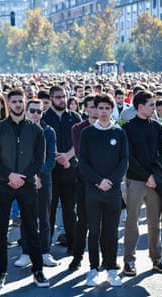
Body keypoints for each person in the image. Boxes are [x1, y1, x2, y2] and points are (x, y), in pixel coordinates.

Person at [0, 89, 49, 289]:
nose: (17, 105)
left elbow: (39, 159)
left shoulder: (36, 129)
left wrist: (24, 176)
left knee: (32, 228)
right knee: (0, 230)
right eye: (13, 101)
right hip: (3, 184)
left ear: (24, 103)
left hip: (27, 184)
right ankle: (0, 271)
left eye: (20, 101)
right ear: (8, 103)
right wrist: (10, 175)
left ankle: (38, 271)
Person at [78, 94, 128, 287]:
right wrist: (98, 181)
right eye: (101, 108)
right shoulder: (87, 133)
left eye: (108, 108)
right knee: (95, 230)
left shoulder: (119, 133)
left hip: (113, 191)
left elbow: (124, 160)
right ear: (94, 110)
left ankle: (112, 268)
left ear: (111, 110)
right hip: (93, 190)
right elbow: (83, 161)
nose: (104, 112)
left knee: (111, 231)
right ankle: (93, 269)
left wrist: (111, 181)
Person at [122, 90, 162, 277]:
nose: (154, 108)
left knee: (154, 222)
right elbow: (129, 157)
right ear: (140, 106)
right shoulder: (127, 128)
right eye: (151, 105)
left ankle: (157, 258)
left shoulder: (157, 127)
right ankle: (129, 261)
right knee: (132, 223)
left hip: (155, 181)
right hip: (135, 180)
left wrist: (155, 174)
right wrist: (147, 176)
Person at [14, 99, 59, 268]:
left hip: (44, 181)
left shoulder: (49, 132)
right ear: (26, 111)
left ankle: (45, 252)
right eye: (32, 110)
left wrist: (40, 175)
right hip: (25, 181)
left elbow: (51, 157)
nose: (35, 114)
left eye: (39, 111)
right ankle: (26, 253)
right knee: (27, 218)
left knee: (45, 218)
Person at [42, 85, 81, 255]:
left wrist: (68, 156)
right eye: (58, 97)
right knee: (48, 212)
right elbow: (41, 143)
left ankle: (74, 247)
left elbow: (80, 141)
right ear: (51, 99)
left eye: (64, 96)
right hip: (50, 171)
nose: (62, 100)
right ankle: (45, 249)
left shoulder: (75, 117)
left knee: (70, 211)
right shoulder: (43, 117)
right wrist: (59, 157)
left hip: (70, 170)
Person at [68, 95, 99, 271]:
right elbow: (81, 153)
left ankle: (105, 260)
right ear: (85, 109)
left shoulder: (110, 127)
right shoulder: (78, 128)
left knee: (106, 224)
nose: (95, 110)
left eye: (98, 106)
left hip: (106, 181)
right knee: (83, 221)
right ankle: (77, 257)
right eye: (91, 107)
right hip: (85, 180)